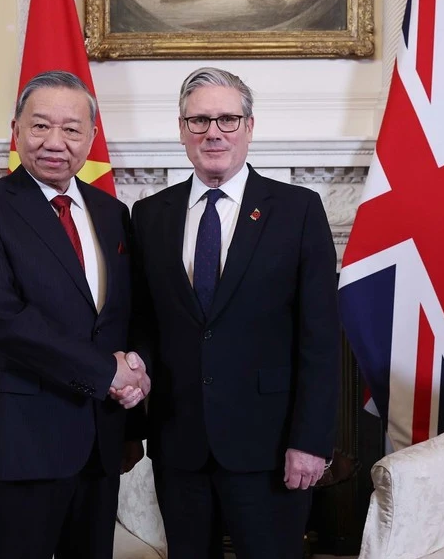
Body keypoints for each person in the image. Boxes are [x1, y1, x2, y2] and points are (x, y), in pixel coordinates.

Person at [130, 67, 340, 559]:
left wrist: (311, 440)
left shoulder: (298, 210)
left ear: (249, 126)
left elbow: (321, 337)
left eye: (227, 119)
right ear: (181, 130)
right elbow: (143, 322)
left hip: (269, 446)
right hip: (179, 444)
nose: (213, 133)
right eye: (199, 120)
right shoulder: (150, 214)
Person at [0, 70, 150, 559]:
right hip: (23, 440)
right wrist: (108, 373)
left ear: (91, 137)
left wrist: (137, 373)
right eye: (40, 126)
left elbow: (124, 314)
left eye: (72, 129)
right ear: (16, 129)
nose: (55, 142)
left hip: (100, 442)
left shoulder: (111, 212)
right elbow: (3, 320)